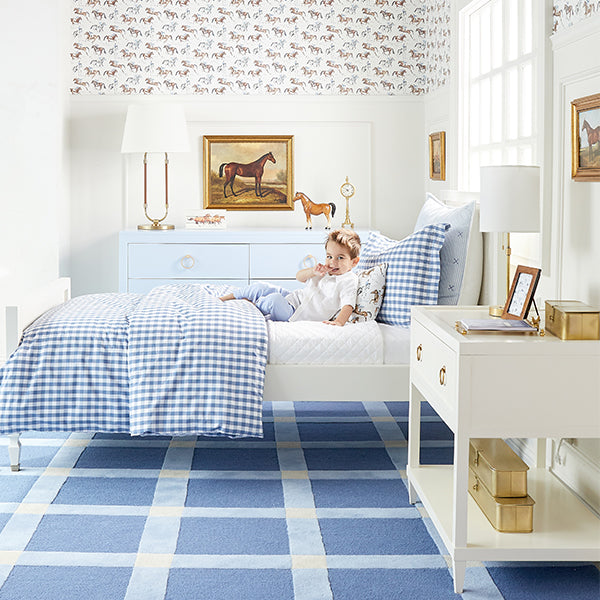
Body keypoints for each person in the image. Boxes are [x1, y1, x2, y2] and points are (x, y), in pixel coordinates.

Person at [220, 229, 361, 326]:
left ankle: (253, 306)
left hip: (297, 315)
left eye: (340, 258)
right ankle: (225, 298)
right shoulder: (324, 271)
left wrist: (339, 322)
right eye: (329, 256)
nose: (332, 262)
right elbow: (299, 277)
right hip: (294, 298)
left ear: (354, 262)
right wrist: (313, 272)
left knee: (274, 301)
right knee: (262, 287)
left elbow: (348, 305)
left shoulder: (348, 280)